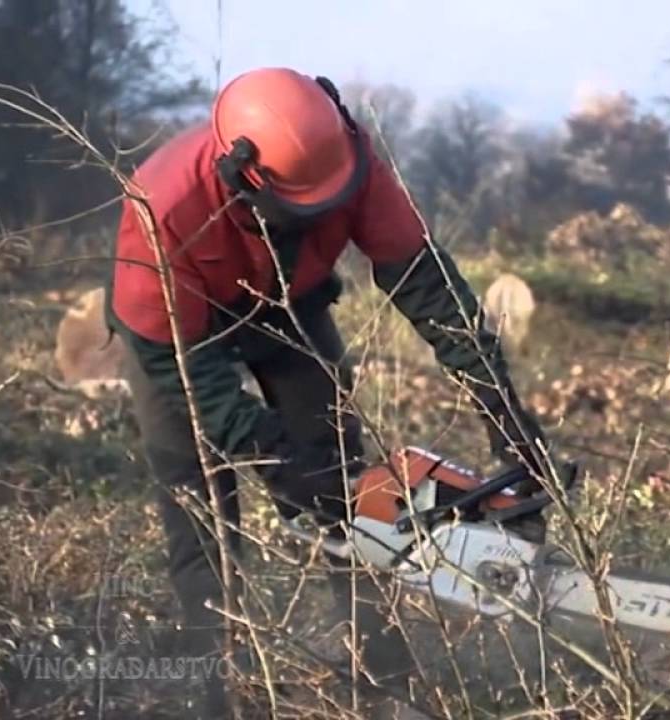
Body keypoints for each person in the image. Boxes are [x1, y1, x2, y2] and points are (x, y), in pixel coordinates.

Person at [106, 67, 552, 716]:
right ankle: (212, 694)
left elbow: (426, 285)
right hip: (179, 333)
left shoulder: (350, 160)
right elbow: (172, 360)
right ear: (245, 180)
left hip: (291, 304)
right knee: (197, 500)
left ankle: (384, 677)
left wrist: (499, 404)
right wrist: (266, 450)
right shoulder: (163, 209)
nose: (314, 212)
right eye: (298, 205)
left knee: (340, 479)